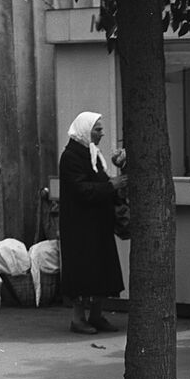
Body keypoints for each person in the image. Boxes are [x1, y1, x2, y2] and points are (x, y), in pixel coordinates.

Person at [58, 111, 126, 334]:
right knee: (83, 272)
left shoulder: (91, 153)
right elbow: (81, 189)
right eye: (97, 129)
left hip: (96, 224)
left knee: (100, 271)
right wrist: (111, 186)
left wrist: (115, 181)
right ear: (86, 131)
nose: (102, 134)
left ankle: (96, 315)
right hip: (80, 227)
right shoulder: (71, 157)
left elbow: (100, 182)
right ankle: (78, 319)